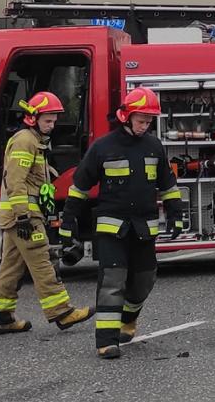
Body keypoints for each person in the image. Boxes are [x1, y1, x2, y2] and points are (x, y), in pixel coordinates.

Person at [64, 87, 185, 359]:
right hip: (111, 227)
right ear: (126, 116)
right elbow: (79, 188)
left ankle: (128, 320)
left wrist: (176, 215)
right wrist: (68, 222)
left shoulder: (154, 146)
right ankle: (106, 340)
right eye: (141, 120)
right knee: (112, 280)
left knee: (144, 281)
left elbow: (168, 185)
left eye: (149, 121)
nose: (145, 126)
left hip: (144, 227)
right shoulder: (103, 147)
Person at [0, 91, 92, 335]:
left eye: (54, 121)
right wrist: (23, 215)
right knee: (43, 262)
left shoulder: (34, 141)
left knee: (11, 268)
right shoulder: (25, 140)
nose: (52, 125)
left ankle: (1, 316)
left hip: (17, 215)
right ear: (33, 118)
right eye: (48, 120)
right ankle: (62, 312)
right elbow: (16, 182)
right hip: (23, 216)